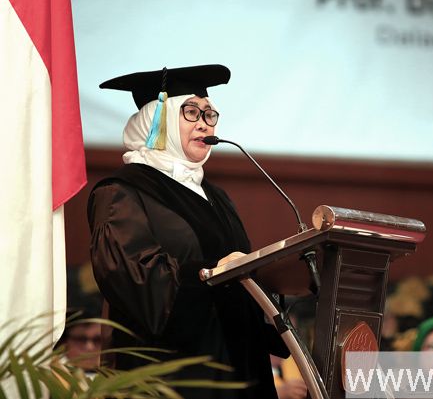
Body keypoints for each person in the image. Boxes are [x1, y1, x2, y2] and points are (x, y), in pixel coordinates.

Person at [88, 65, 289, 398]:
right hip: (170, 376)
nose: (204, 123)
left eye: (210, 114)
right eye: (191, 112)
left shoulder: (216, 196)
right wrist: (211, 273)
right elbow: (136, 282)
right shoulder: (121, 192)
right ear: (158, 121)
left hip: (236, 366)